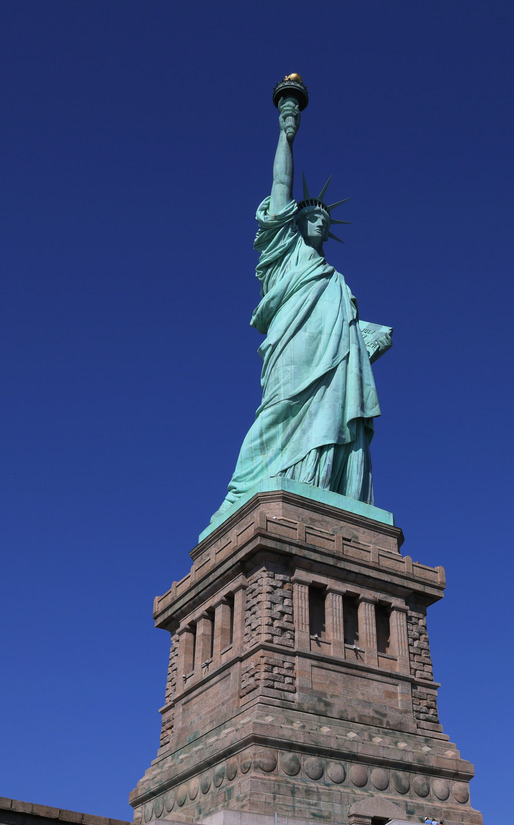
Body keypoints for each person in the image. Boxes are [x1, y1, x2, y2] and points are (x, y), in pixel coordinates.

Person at [209, 86, 391, 524]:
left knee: (332, 416)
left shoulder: (336, 280)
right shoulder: (283, 255)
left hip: (331, 364)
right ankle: (244, 494)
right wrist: (286, 132)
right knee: (274, 416)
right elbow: (279, 185)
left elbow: (349, 334)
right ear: (295, 222)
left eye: (325, 220)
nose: (320, 220)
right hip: (291, 355)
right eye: (311, 215)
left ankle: (323, 487)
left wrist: (367, 338)